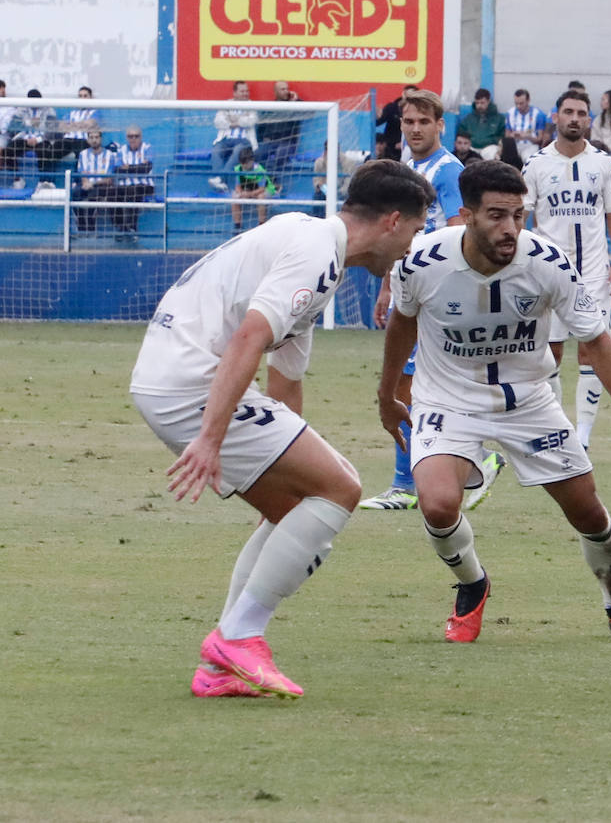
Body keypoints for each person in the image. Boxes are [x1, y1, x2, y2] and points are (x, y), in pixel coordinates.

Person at [129, 159, 435, 699]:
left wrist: (292, 456)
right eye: (415, 229)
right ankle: (239, 638)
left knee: (299, 507)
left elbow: (285, 381)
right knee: (341, 487)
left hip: (173, 378)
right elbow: (249, 338)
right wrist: (210, 439)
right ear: (391, 221)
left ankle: (222, 664)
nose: (414, 244)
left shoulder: (316, 247)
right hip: (189, 382)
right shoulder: (317, 253)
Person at [377, 160, 611, 644]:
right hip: (448, 400)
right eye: (496, 215)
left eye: (518, 214)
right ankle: (473, 585)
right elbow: (402, 323)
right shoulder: (422, 261)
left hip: (530, 401)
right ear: (466, 214)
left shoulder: (548, 262)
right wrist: (389, 394)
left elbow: (595, 339)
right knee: (437, 503)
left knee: (589, 514)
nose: (511, 228)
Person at [361, 89, 504, 512]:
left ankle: (410, 482)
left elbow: (464, 232)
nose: (415, 128)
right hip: (412, 292)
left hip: (441, 298)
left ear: (441, 126)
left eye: (424, 122)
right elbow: (399, 236)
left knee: (415, 389)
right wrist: (389, 287)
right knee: (418, 390)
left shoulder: (448, 171)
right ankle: (472, 463)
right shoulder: (406, 169)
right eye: (409, 122)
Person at [522, 90, 611, 449]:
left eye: (581, 113)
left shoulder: (603, 163)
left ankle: (582, 435)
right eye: (568, 111)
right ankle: (558, 426)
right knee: (548, 353)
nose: (574, 118)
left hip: (594, 274)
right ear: (556, 116)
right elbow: (521, 217)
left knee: (592, 348)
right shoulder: (535, 164)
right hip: (547, 275)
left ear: (589, 120)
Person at [209, 81, 258, 192]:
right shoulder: (227, 105)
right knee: (216, 150)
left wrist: (233, 120)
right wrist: (239, 120)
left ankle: (220, 179)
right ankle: (220, 182)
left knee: (238, 150)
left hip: (244, 141)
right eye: (242, 91)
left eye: (247, 91)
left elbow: (251, 121)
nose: (245, 93)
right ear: (235, 93)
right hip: (226, 139)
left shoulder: (252, 105)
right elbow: (218, 122)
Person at [113, 124, 154, 242]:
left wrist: (128, 167)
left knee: (133, 191)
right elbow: (117, 169)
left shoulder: (147, 148)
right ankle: (121, 227)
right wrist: (136, 167)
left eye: (136, 136)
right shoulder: (121, 150)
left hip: (145, 185)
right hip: (124, 185)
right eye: (130, 136)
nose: (133, 139)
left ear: (141, 137)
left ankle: (132, 228)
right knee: (112, 193)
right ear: (127, 138)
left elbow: (146, 168)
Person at [74, 129, 117, 237]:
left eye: (96, 137)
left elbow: (109, 179)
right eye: (91, 137)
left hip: (101, 186)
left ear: (101, 139)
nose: (94, 140)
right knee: (74, 193)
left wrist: (92, 184)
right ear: (88, 140)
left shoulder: (109, 155)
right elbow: (82, 173)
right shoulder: (83, 154)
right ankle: (81, 225)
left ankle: (91, 228)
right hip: (86, 184)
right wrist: (85, 182)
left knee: (92, 196)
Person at [256, 80, 302, 179]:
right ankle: (259, 183)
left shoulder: (294, 106)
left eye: (287, 89)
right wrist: (264, 137)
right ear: (276, 92)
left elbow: (307, 111)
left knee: (279, 157)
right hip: (271, 142)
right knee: (257, 154)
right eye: (282, 89)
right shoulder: (270, 108)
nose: (286, 91)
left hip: (288, 142)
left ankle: (271, 184)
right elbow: (261, 126)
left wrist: (296, 100)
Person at [231, 146, 276, 232]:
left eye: (246, 163)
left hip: (265, 190)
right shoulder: (238, 169)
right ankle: (237, 226)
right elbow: (238, 186)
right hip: (249, 190)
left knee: (261, 197)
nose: (244, 166)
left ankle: (261, 225)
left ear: (252, 161)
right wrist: (240, 193)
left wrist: (248, 194)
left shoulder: (259, 170)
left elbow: (262, 188)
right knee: (234, 197)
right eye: (242, 163)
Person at [457, 88, 505, 161]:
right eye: (477, 103)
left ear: (488, 101)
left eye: (482, 103)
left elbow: (502, 136)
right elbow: (461, 134)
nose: (479, 105)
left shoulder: (499, 119)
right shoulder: (468, 119)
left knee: (494, 155)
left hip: (490, 147)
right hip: (471, 147)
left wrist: (489, 141)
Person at [55, 86, 100, 161]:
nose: (82, 98)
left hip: (82, 140)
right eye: (80, 96)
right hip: (68, 139)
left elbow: (89, 124)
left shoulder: (95, 112)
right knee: (52, 150)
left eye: (85, 96)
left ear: (90, 98)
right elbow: (61, 127)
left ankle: (79, 172)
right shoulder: (72, 113)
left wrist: (71, 125)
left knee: (81, 154)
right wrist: (81, 125)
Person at [376, 85, 417, 161]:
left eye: (412, 95)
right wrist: (376, 116)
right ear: (403, 94)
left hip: (408, 149)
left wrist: (405, 144)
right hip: (390, 149)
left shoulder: (418, 112)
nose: (409, 97)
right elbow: (377, 122)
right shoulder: (391, 108)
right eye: (407, 94)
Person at [505, 89, 548, 163]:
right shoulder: (510, 113)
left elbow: (540, 140)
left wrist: (527, 137)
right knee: (506, 157)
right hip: (514, 145)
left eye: (521, 103)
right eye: (516, 103)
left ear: (528, 101)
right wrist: (513, 135)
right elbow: (507, 136)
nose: (518, 106)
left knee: (527, 158)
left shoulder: (538, 114)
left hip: (530, 145)